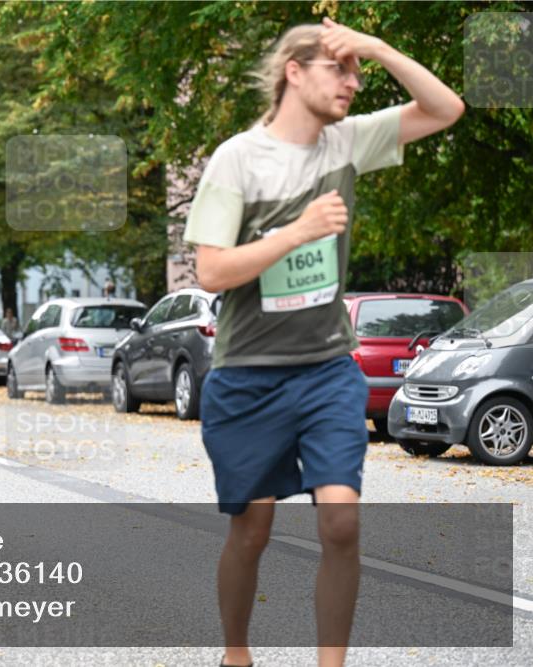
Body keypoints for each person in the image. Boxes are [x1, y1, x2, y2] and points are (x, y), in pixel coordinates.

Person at [184, 18, 464, 667]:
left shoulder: (348, 141)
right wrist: (298, 230)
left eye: (356, 71)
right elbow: (212, 271)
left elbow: (445, 108)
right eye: (338, 68)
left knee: (341, 522)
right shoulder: (237, 158)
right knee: (252, 528)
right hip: (248, 373)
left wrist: (376, 47)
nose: (353, 82)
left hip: (326, 370)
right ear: (294, 72)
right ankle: (236, 654)